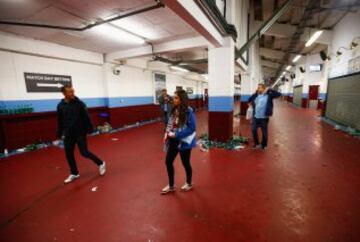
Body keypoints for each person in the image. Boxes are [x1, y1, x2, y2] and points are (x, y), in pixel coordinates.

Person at [57, 85, 106, 184]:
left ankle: (101, 163)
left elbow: (86, 117)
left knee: (84, 152)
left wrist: (90, 129)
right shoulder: (60, 105)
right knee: (68, 154)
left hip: (80, 132)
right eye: (70, 92)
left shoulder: (79, 103)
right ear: (64, 93)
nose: (72, 93)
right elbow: (60, 120)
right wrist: (59, 132)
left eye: (73, 91)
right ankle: (74, 173)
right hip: (68, 134)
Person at [162, 90, 196, 194]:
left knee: (185, 163)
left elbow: (192, 128)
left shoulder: (188, 111)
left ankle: (189, 183)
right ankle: (171, 186)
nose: (174, 99)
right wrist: (167, 132)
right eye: (174, 97)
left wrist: (177, 134)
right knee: (168, 161)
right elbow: (170, 123)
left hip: (184, 142)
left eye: (176, 98)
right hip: (173, 140)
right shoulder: (174, 110)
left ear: (182, 99)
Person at [248, 84, 281, 150]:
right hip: (255, 117)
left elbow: (278, 94)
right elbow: (249, 100)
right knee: (253, 130)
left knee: (264, 132)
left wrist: (270, 89)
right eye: (258, 88)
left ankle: (264, 145)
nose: (258, 89)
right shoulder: (256, 95)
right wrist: (254, 93)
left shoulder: (269, 95)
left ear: (263, 88)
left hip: (264, 118)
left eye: (260, 88)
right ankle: (257, 143)